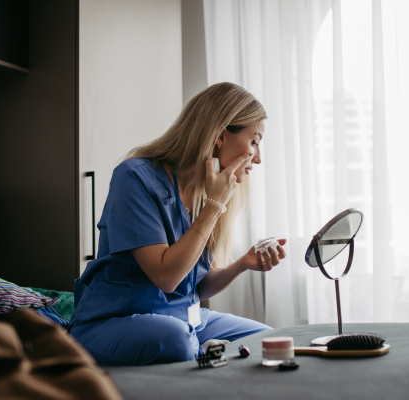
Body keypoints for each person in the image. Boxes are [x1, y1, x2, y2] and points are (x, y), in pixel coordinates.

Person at [67, 82, 287, 366]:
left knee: (269, 340)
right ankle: (203, 350)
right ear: (220, 135)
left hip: (185, 318)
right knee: (178, 340)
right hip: (113, 321)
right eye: (254, 141)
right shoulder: (134, 177)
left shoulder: (205, 193)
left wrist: (242, 264)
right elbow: (167, 278)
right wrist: (214, 206)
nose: (258, 158)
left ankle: (204, 349)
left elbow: (195, 285)